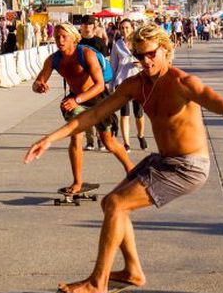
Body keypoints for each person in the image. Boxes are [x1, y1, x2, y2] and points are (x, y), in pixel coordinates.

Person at [24, 23, 223, 293]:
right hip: (162, 160)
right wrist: (49, 139)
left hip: (188, 167)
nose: (146, 61)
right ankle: (132, 271)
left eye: (151, 54)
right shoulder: (136, 85)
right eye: (140, 56)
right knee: (110, 203)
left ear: (167, 50)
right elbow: (92, 116)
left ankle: (98, 282)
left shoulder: (183, 83)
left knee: (118, 205)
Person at [32, 23, 134, 194]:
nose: (60, 40)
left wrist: (77, 99)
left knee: (109, 142)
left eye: (64, 36)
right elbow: (37, 82)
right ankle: (77, 182)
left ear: (74, 37)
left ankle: (132, 172)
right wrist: (39, 86)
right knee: (76, 138)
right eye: (57, 36)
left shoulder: (85, 54)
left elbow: (100, 85)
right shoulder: (54, 59)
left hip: (98, 99)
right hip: (76, 101)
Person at [110, 18, 148, 151]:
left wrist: (141, 65)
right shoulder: (117, 44)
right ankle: (126, 143)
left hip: (138, 81)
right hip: (122, 82)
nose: (124, 30)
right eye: (122, 28)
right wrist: (112, 84)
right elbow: (113, 65)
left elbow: (148, 60)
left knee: (139, 114)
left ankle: (141, 135)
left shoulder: (139, 43)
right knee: (124, 113)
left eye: (127, 28)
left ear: (132, 28)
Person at [79, 15, 110, 150]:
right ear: (81, 26)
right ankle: (90, 141)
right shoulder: (78, 43)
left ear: (94, 26)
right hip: (82, 82)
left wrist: (105, 81)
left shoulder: (99, 42)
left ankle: (101, 140)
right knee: (85, 112)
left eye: (89, 24)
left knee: (99, 111)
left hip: (98, 82)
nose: (87, 27)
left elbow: (106, 62)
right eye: (84, 24)